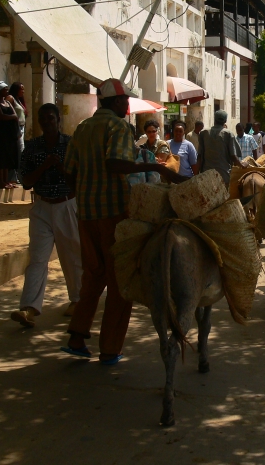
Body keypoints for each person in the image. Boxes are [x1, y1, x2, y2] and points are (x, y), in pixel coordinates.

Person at [60, 79, 184, 365]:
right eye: (125, 100)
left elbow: (69, 171)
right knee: (121, 281)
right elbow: (115, 163)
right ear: (115, 101)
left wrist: (84, 194)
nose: (127, 104)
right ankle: (110, 348)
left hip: (86, 214)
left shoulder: (82, 128)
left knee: (93, 276)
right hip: (113, 213)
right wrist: (156, 167)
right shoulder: (117, 127)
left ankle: (77, 337)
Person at [11, 103, 82, 328]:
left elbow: (79, 178)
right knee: (37, 258)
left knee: (72, 256)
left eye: (50, 118)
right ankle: (29, 308)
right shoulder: (32, 147)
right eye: (42, 119)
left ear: (58, 119)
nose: (46, 122)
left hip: (66, 204)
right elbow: (26, 181)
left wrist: (60, 167)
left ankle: (78, 300)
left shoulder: (71, 144)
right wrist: (44, 166)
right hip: (41, 207)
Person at [198, 110, 242, 184]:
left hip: (206, 175)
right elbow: (233, 156)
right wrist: (241, 164)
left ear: (214, 119)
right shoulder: (228, 134)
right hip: (223, 175)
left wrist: (196, 174)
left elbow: (199, 156)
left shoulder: (203, 133)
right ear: (225, 121)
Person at [0, 81, 20, 189]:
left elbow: (15, 115)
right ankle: (0, 182)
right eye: (4, 89)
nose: (7, 91)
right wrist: (10, 117)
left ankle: (6, 181)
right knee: (0, 156)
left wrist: (8, 117)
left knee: (7, 156)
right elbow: (1, 115)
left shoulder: (8, 102)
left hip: (9, 133)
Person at [7, 82, 27, 185]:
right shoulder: (11, 98)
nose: (23, 91)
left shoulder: (19, 100)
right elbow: (5, 108)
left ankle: (18, 176)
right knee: (19, 152)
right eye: (21, 89)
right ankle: (14, 177)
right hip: (16, 128)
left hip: (22, 127)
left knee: (20, 152)